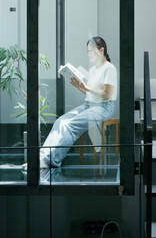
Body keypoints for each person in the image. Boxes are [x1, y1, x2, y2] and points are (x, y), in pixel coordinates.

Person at [40, 36, 117, 170]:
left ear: (101, 50)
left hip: (103, 108)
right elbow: (90, 94)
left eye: (91, 51)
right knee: (60, 122)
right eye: (88, 51)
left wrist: (87, 88)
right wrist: (79, 87)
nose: (89, 54)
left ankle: (52, 161)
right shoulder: (94, 69)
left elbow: (107, 94)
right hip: (89, 105)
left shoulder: (109, 68)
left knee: (70, 125)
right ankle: (41, 158)